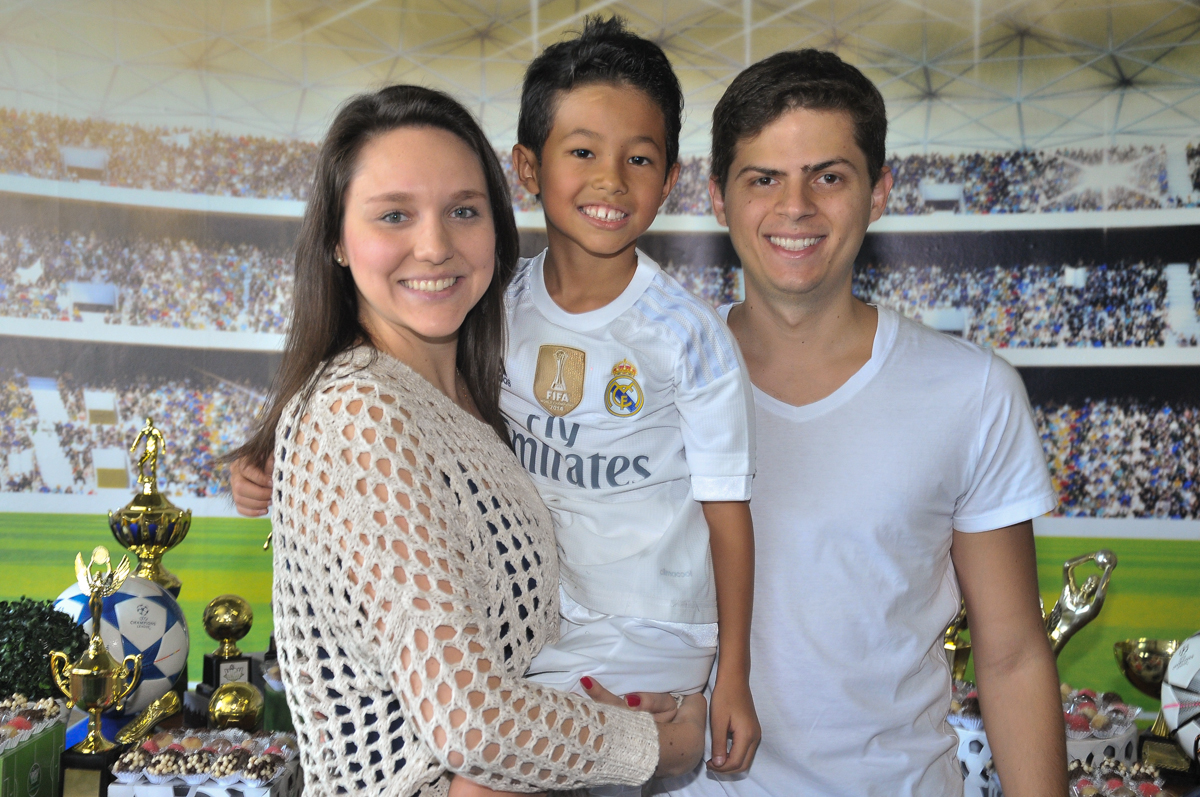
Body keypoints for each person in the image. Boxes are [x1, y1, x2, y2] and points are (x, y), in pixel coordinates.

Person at [233, 19, 761, 796]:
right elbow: (470, 728)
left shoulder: (465, 376)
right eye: (393, 214)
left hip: (625, 665)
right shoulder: (363, 409)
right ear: (338, 240)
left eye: (463, 211)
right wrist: (655, 748)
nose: (436, 245)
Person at [659, 50, 1067, 796]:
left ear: (878, 192)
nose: (796, 207)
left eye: (829, 175)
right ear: (717, 198)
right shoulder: (653, 384)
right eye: (764, 179)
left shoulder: (970, 390)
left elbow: (1010, 654)